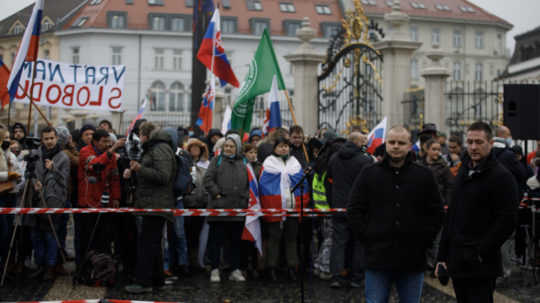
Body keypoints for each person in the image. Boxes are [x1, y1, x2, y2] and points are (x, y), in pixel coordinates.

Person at [348, 126, 442, 303]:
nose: (396, 146)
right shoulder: (369, 173)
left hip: (412, 257)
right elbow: (354, 209)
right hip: (377, 256)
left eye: (401, 143)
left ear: (409, 146)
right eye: (392, 142)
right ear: (386, 144)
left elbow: (436, 212)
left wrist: (424, 239)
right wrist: (367, 237)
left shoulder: (424, 175)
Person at [436, 122, 519, 303]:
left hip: (481, 263)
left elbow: (507, 219)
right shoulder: (464, 171)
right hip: (458, 259)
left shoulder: (502, 176)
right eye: (470, 142)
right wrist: (442, 256)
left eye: (479, 142)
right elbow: (452, 215)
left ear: (490, 143)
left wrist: (481, 251)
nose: (473, 147)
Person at [124, 123, 177, 293]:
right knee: (152, 243)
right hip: (152, 203)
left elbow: (163, 176)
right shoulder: (155, 148)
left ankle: (144, 282)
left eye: (140, 133)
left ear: (146, 134)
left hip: (157, 204)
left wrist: (140, 169)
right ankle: (157, 280)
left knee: (148, 243)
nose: (139, 137)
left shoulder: (160, 149)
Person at [259, 136, 309, 281]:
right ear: (275, 148)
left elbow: (302, 183)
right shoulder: (269, 163)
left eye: (286, 146)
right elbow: (264, 185)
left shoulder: (295, 162)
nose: (283, 148)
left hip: (292, 206)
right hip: (275, 206)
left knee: (291, 238)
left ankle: (292, 267)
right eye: (280, 146)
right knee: (274, 237)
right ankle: (271, 267)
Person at [327, 132, 373, 288]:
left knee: (339, 242)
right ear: (358, 142)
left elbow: (329, 180)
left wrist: (332, 202)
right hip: (358, 207)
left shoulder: (334, 158)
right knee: (358, 243)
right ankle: (356, 277)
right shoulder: (364, 160)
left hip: (338, 206)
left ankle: (337, 276)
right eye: (363, 141)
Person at [204, 134, 249, 283]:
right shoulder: (216, 161)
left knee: (236, 242)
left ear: (237, 148)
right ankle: (215, 269)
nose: (228, 149)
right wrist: (216, 194)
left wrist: (245, 197)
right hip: (219, 210)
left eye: (232, 146)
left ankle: (234, 269)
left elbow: (250, 182)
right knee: (216, 241)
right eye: (226, 146)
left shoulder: (243, 162)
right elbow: (208, 180)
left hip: (238, 210)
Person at [27, 126, 70, 281]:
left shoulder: (63, 157)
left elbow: (64, 182)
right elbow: (29, 173)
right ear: (42, 139)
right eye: (46, 139)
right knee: (36, 235)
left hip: (54, 201)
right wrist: (34, 183)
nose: (49, 141)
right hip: (36, 199)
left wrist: (53, 169)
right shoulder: (35, 154)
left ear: (56, 138)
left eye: (52, 138)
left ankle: (51, 266)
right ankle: (40, 264)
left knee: (50, 235)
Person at [77, 129, 123, 264]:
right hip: (88, 201)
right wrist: (112, 150)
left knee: (104, 237)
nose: (108, 144)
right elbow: (95, 165)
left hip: (104, 201)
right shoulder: (85, 152)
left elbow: (115, 177)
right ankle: (86, 266)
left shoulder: (111, 156)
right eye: (104, 141)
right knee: (87, 238)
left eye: (109, 141)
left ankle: (104, 267)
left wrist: (116, 197)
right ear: (96, 142)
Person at [417, 138, 454, 271]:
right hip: (420, 207)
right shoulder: (419, 165)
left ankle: (435, 264)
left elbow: (450, 186)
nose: (437, 152)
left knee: (437, 238)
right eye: (434, 149)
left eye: (438, 149)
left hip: (437, 206)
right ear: (427, 150)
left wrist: (447, 203)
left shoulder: (443, 167)